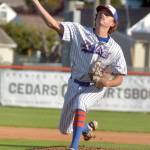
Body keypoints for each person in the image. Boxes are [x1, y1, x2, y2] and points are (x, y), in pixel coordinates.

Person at [32, 1, 127, 150]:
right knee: (65, 129)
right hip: (74, 84)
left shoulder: (115, 49)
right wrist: (36, 2)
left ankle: (73, 147)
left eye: (108, 14)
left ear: (113, 23)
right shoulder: (79, 31)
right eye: (101, 12)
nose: (103, 14)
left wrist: (107, 83)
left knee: (82, 102)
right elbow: (53, 24)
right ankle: (85, 129)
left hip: (94, 87)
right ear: (96, 17)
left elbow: (120, 77)